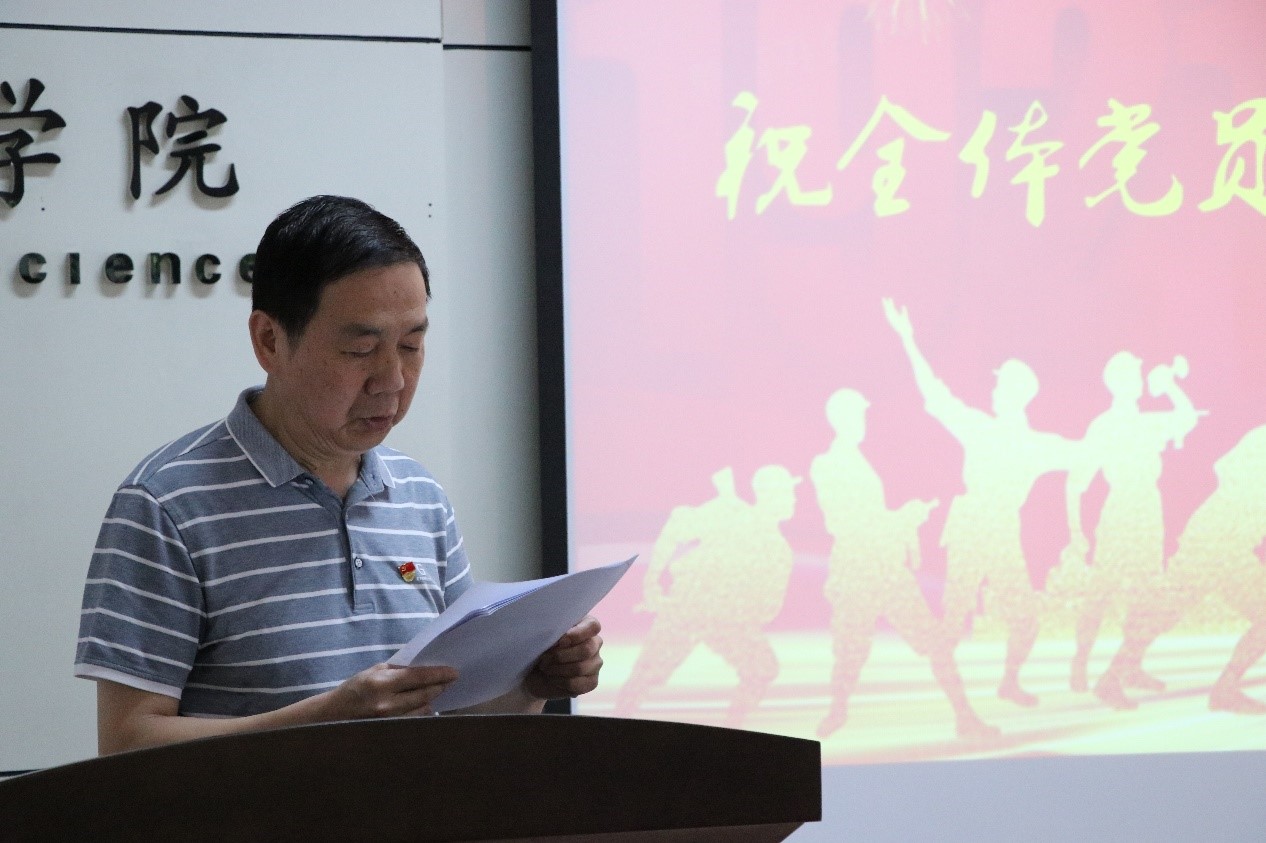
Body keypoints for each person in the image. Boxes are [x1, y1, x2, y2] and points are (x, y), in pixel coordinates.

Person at [74, 195, 603, 755]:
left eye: (412, 345)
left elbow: (453, 714)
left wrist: (530, 682)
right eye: (360, 349)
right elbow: (127, 744)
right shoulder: (166, 504)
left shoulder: (420, 498)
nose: (392, 379)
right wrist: (325, 720)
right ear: (269, 341)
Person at [884, 298, 1081, 707]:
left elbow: (1084, 452)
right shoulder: (994, 432)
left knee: (1023, 619)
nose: (992, 390)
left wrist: (908, 341)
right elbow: (936, 395)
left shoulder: (1025, 442)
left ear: (1014, 395)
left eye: (999, 385)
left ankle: (1007, 683)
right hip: (974, 527)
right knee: (955, 623)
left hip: (998, 531)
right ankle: (959, 707)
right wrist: (908, 341)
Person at [811, 388, 997, 740]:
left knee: (935, 644)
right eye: (857, 415)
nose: (862, 422)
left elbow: (872, 517)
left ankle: (965, 716)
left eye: (862, 415)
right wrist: (902, 520)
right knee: (850, 650)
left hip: (886, 570)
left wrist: (903, 525)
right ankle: (837, 713)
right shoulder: (829, 465)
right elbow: (846, 523)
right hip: (858, 571)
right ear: (840, 419)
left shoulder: (857, 460)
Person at [1064, 352, 1202, 709]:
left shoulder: (1146, 422)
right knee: (1101, 591)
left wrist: (1170, 386)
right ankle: (1081, 661)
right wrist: (1076, 529)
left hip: (1148, 512)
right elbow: (1076, 481)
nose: (1139, 381)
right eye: (1133, 376)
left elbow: (1187, 417)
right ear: (1117, 382)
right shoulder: (1104, 426)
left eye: (1139, 376)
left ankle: (1131, 668)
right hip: (1120, 511)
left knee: (1146, 596)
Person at [613, 465, 799, 727]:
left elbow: (769, 609)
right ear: (770, 496)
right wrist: (652, 581)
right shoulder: (730, 515)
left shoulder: (780, 551)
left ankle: (734, 733)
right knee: (645, 676)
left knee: (763, 668)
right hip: (686, 611)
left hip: (730, 622)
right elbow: (676, 528)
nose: (793, 499)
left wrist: (740, 614)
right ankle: (612, 733)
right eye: (788, 493)